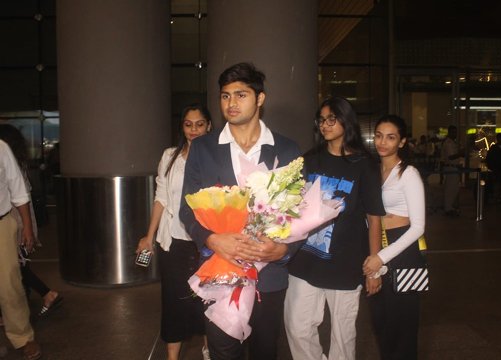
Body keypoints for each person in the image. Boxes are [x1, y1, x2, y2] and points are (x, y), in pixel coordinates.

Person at [180, 62, 302, 360]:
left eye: (240, 94)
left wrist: (283, 250)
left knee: (264, 351)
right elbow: (187, 209)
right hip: (220, 269)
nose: (231, 103)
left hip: (269, 274)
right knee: (223, 351)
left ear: (260, 98)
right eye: (225, 96)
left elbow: (301, 213)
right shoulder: (204, 148)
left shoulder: (287, 150)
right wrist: (211, 239)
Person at [284, 97, 385, 360]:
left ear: (346, 121)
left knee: (343, 335)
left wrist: (375, 266)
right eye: (322, 120)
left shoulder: (364, 165)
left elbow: (374, 218)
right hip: (305, 259)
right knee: (297, 327)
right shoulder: (309, 160)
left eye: (332, 119)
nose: (325, 125)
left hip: (346, 261)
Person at [136, 104, 212, 360]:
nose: (194, 130)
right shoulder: (170, 156)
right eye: (188, 124)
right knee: (173, 302)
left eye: (199, 124)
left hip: (206, 243)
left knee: (207, 301)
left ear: (209, 126)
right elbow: (161, 197)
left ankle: (209, 347)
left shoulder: (217, 158)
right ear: (182, 127)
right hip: (174, 242)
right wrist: (149, 236)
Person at [363, 115, 426, 360]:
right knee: (381, 321)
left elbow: (418, 226)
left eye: (390, 137)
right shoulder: (372, 171)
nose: (382, 142)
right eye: (378, 135)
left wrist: (381, 258)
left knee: (403, 325)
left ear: (402, 142)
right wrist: (375, 257)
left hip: (402, 249)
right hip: (377, 242)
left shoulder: (408, 174)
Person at [0, 124, 63, 320]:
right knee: (18, 266)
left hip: (14, 218)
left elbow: (20, 195)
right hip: (19, 217)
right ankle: (37, 299)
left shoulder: (9, 161)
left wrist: (26, 227)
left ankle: (45, 294)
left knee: (15, 266)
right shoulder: (19, 162)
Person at [0, 138, 42, 360]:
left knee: (9, 284)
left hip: (1, 223)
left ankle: (23, 337)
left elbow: (18, 190)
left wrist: (27, 227)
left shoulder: (1, 147)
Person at [440, 125, 463, 216]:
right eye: (453, 132)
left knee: (453, 188)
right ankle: (448, 208)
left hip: (453, 167)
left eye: (456, 132)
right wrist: (461, 153)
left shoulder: (452, 142)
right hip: (451, 167)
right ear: (449, 132)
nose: (455, 134)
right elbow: (451, 156)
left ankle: (450, 207)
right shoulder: (449, 143)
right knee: (451, 189)